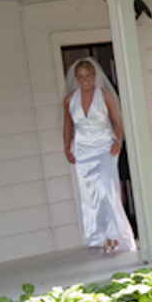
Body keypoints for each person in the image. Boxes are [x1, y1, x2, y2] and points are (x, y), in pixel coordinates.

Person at [62, 58, 136, 255]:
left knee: (107, 192)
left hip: (104, 149)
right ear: (76, 78)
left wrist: (117, 143)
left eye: (88, 76)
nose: (84, 80)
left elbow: (118, 121)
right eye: (80, 77)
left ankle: (117, 236)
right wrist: (67, 147)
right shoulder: (70, 99)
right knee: (90, 195)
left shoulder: (105, 95)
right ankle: (100, 236)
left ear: (94, 76)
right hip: (83, 151)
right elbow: (68, 124)